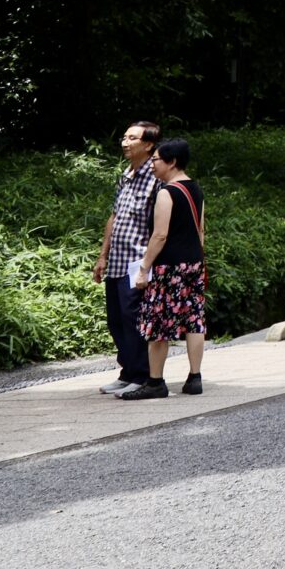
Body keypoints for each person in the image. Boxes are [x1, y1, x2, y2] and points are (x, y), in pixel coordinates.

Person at [117, 137, 206, 400]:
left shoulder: (167, 192)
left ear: (172, 161)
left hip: (169, 267)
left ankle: (155, 382)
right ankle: (194, 378)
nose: (153, 164)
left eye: (156, 159)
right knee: (194, 321)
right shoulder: (195, 189)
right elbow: (200, 230)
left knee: (157, 322)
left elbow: (159, 236)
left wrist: (144, 267)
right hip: (193, 264)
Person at [96, 120, 162, 396]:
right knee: (116, 319)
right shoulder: (125, 175)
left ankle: (142, 375)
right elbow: (114, 217)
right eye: (124, 137)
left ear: (148, 145)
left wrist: (150, 264)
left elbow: (161, 224)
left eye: (132, 138)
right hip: (117, 261)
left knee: (133, 318)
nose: (125, 142)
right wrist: (102, 256)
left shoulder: (156, 178)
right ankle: (127, 372)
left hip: (138, 261)